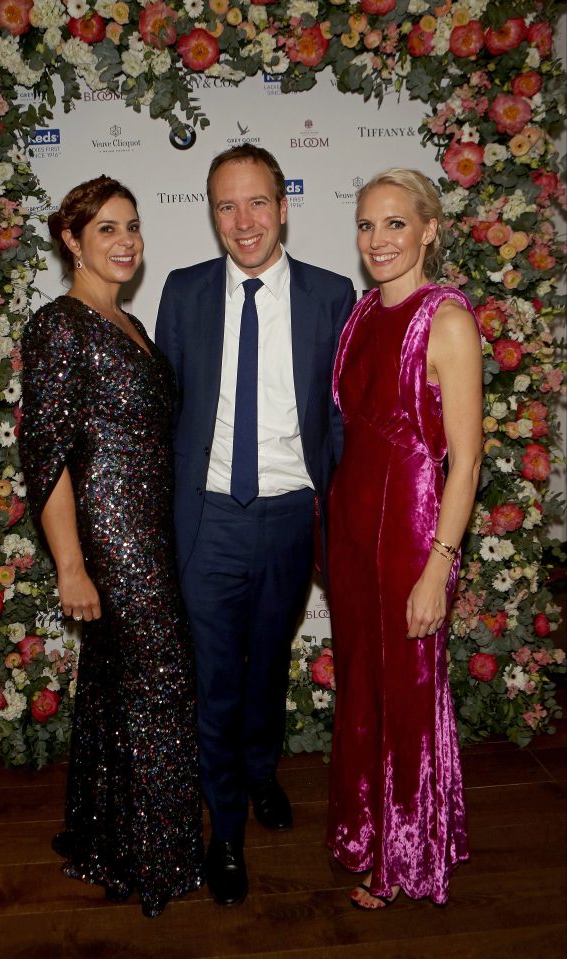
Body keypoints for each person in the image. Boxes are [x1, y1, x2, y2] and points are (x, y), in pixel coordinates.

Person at [156, 145, 355, 906]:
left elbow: (338, 419)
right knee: (213, 680)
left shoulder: (332, 294)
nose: (243, 222)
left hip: (288, 517)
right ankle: (225, 832)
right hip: (207, 518)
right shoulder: (183, 291)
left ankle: (262, 770)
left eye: (257, 203)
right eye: (225, 206)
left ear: (283, 204)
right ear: (211, 213)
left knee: (267, 664)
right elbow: (168, 415)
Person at [19, 175, 203, 918]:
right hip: (111, 535)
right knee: (163, 684)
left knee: (116, 690)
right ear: (71, 241)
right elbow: (46, 454)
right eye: (105, 229)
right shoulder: (59, 324)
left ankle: (108, 840)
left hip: (149, 529)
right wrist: (72, 563)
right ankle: (160, 860)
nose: (124, 240)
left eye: (131, 226)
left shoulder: (125, 321)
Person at [326, 169, 482, 909]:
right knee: (364, 685)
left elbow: (466, 457)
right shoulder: (361, 314)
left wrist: (436, 566)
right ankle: (371, 831)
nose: (378, 240)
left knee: (406, 691)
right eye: (366, 225)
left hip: (412, 530)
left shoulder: (445, 318)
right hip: (353, 525)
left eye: (394, 223)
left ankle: (406, 854)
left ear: (428, 229)